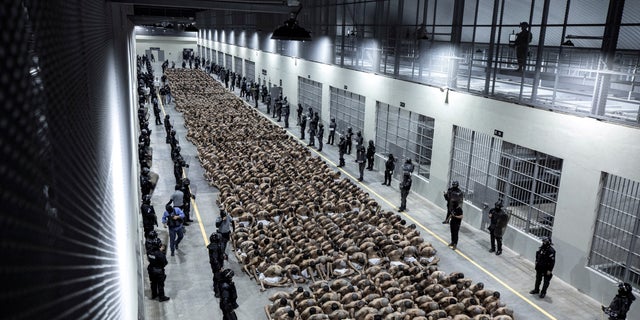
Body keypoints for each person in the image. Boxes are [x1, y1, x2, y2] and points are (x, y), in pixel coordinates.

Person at [208, 232, 225, 298]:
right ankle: (217, 292)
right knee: (217, 277)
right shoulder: (214, 248)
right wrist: (219, 267)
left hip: (219, 262)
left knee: (217, 276)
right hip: (216, 265)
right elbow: (215, 259)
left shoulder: (216, 245)